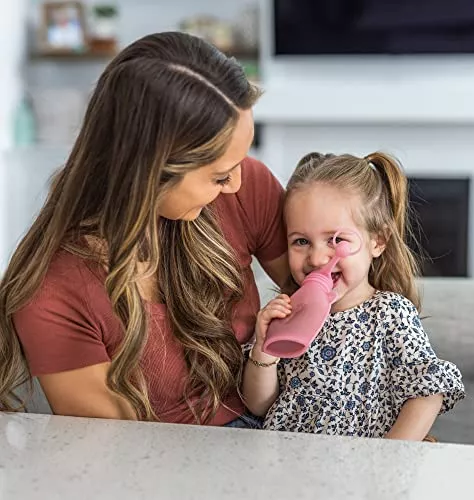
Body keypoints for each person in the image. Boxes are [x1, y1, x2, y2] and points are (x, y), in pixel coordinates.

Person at [0, 32, 289, 427]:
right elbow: (121, 452)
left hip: (281, 423)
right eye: (219, 175)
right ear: (148, 174)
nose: (237, 183)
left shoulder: (246, 186)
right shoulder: (51, 293)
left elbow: (340, 298)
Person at [243, 151, 465, 440]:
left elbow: (427, 393)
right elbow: (259, 405)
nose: (318, 257)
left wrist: (387, 457)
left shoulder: (389, 312)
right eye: (301, 241)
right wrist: (264, 350)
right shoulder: (288, 311)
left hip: (362, 471)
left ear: (377, 242)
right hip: (288, 467)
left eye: (336, 240)